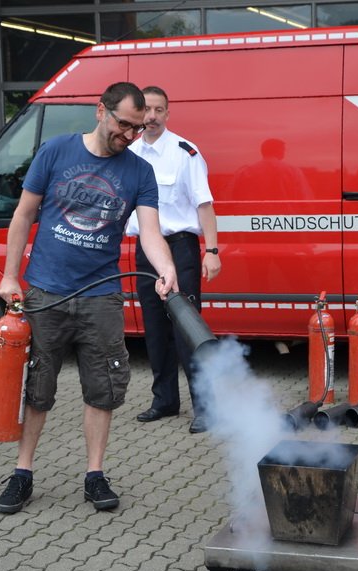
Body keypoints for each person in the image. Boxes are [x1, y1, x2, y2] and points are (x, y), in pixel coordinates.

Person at [0, 82, 179, 514]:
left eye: (137, 128)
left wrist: (166, 267)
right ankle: (22, 473)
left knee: (103, 388)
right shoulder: (56, 152)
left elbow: (150, 232)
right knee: (38, 387)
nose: (130, 135)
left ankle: (94, 475)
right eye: (125, 125)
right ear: (101, 111)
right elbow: (23, 214)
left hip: (101, 296)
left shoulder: (139, 172)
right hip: (44, 292)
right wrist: (9, 276)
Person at [127, 86, 221, 435]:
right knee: (154, 330)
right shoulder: (130, 153)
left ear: (168, 113)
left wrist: (211, 251)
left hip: (180, 249)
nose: (151, 116)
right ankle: (164, 400)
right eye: (146, 110)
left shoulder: (186, 152)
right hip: (145, 253)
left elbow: (204, 204)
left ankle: (205, 408)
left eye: (158, 110)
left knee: (187, 330)